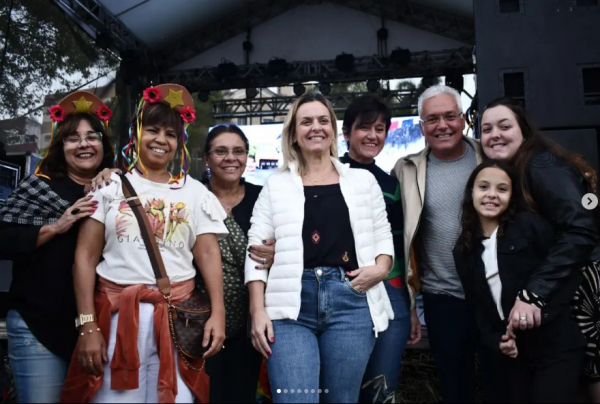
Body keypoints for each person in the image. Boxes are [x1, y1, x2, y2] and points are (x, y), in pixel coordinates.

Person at [61, 84, 227, 403]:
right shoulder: (109, 187)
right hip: (116, 318)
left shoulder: (196, 193)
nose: (161, 140)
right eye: (152, 130)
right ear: (137, 136)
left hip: (178, 322)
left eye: (170, 133)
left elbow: (208, 253)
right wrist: (87, 325)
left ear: (179, 143)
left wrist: (218, 312)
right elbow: (84, 258)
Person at [246, 93, 395, 404]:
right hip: (289, 306)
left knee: (341, 399)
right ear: (294, 134)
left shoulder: (363, 181)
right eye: (306, 121)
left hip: (350, 302)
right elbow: (256, 251)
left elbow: (383, 235)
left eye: (323, 120)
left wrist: (381, 268)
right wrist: (257, 310)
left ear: (333, 130)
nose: (316, 127)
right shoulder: (275, 184)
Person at [479, 97, 600, 401]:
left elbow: (580, 228)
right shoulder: (516, 171)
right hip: (564, 298)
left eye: (505, 126)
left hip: (586, 293)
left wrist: (535, 292)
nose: (495, 134)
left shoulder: (540, 163)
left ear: (525, 131)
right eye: (486, 128)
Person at [0, 91, 115, 403]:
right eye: (72, 139)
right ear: (60, 146)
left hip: (99, 328)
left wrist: (117, 180)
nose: (83, 144)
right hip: (39, 324)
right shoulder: (40, 185)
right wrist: (56, 226)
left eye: (92, 137)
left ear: (103, 145)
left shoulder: (117, 188)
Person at [453, 160, 586, 403]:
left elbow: (566, 273)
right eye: (483, 187)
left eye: (502, 189)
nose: (492, 195)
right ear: (471, 192)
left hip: (555, 347)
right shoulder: (463, 250)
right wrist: (497, 341)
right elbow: (478, 309)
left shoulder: (530, 226)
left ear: (512, 195)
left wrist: (537, 307)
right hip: (513, 355)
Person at [391, 84, 483, 403]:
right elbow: (395, 240)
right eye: (432, 119)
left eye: (449, 116)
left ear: (463, 119)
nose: (442, 125)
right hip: (442, 297)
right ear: (421, 126)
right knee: (455, 387)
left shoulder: (493, 158)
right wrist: (410, 303)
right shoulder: (405, 170)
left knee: (506, 381)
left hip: (496, 293)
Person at [339, 95, 421, 403]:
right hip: (343, 291)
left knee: (382, 385)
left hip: (391, 290)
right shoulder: (327, 176)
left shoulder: (392, 184)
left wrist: (408, 306)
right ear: (346, 133)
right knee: (342, 383)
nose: (373, 135)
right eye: (364, 128)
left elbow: (401, 247)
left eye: (380, 128)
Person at [201, 124, 274, 403]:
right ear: (206, 158)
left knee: (243, 395)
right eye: (221, 151)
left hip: (251, 323)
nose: (230, 158)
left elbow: (291, 239)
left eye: (238, 151)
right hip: (199, 323)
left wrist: (277, 250)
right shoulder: (189, 195)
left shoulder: (263, 197)